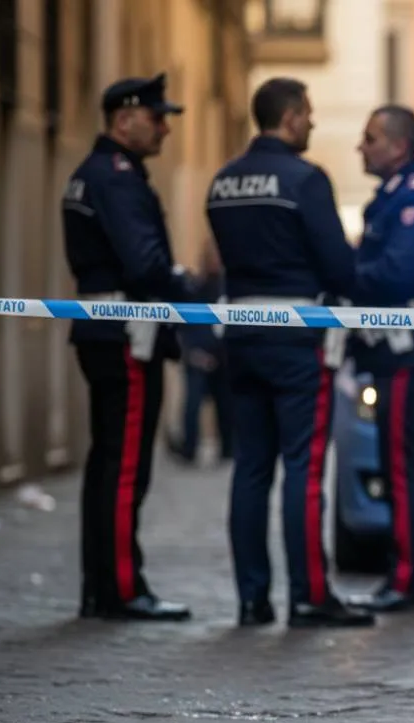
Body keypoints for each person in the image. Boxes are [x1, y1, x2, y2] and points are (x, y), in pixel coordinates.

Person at [205, 77, 374, 629]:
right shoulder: (305, 178)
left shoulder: (223, 182)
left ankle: (252, 598)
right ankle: (309, 596)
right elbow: (337, 264)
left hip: (241, 332)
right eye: (309, 113)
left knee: (251, 468)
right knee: (303, 468)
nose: (313, 123)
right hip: (298, 336)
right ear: (292, 115)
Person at [61, 73, 199, 621]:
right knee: (123, 468)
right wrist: (183, 281)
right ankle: (121, 587)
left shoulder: (91, 173)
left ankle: (101, 586)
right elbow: (145, 265)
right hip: (126, 335)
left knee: (106, 463)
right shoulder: (118, 178)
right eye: (156, 116)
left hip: (105, 329)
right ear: (124, 119)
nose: (165, 127)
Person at [345, 105, 414, 613]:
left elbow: (394, 272)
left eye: (370, 139)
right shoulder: (391, 198)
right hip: (390, 349)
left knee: (402, 463)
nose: (360, 147)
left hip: (411, 347)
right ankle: (408, 574)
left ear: (398, 145)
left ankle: (411, 578)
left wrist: (339, 269)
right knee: (398, 464)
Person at [166, 238, 233, 466]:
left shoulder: (228, 288)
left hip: (222, 357)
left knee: (226, 406)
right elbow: (183, 324)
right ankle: (189, 448)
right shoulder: (193, 287)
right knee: (192, 405)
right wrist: (191, 352)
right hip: (197, 354)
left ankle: (229, 448)